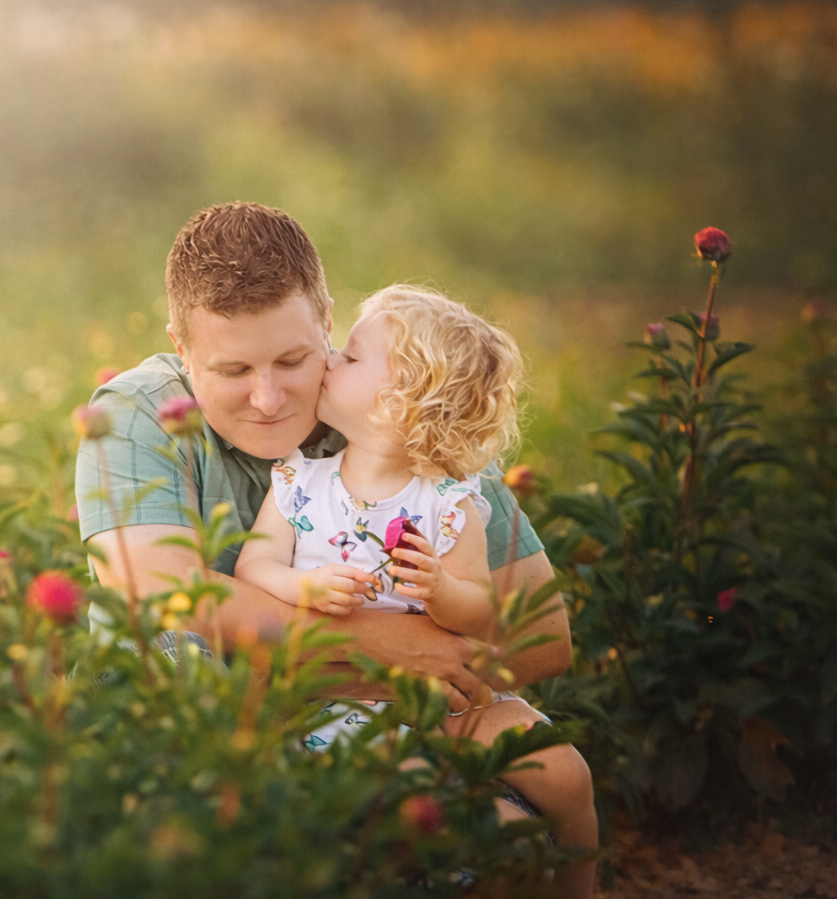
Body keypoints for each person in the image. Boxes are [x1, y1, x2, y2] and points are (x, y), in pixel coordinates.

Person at [73, 201, 572, 708]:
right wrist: (382, 648)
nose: (267, 399)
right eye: (233, 371)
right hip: (187, 727)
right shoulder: (140, 410)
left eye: (292, 360)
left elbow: (544, 639)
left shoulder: (407, 413)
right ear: (181, 348)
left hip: (384, 732)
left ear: (328, 321)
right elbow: (162, 600)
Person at [233, 283, 596, 899]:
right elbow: (255, 563)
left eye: (349, 357)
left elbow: (482, 609)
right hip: (342, 705)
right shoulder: (300, 483)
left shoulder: (449, 503)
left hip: (453, 704)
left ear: (397, 403)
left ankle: (582, 885)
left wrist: (441, 590)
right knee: (421, 792)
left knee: (564, 768)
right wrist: (305, 584)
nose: (329, 359)